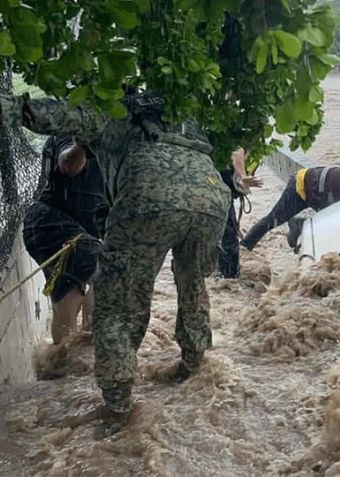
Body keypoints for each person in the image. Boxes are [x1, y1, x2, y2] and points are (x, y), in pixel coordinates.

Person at [0, 91, 231, 434]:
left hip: (150, 191)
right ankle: (194, 366)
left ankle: (118, 407)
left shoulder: (112, 109)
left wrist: (12, 107)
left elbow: (52, 114)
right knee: (193, 283)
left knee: (119, 301)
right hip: (212, 197)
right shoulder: (181, 109)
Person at [22, 135, 108, 344]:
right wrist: (85, 145)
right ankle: (90, 355)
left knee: (67, 303)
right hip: (53, 225)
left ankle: (62, 368)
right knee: (109, 275)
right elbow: (68, 164)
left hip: (51, 229)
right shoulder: (72, 131)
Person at [240, 166, 340, 251]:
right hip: (301, 186)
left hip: (316, 191)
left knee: (332, 223)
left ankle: (298, 225)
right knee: (271, 220)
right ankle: (244, 248)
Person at [217, 148, 262, 279]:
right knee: (228, 237)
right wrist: (243, 176)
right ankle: (229, 279)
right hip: (220, 189)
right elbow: (237, 151)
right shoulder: (241, 138)